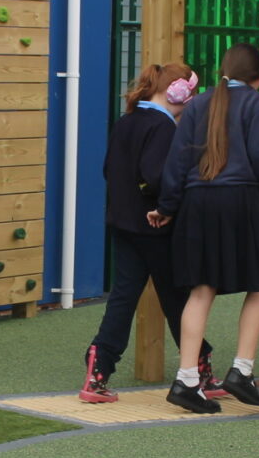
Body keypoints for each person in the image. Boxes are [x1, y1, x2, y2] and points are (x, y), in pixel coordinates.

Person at [153, 42, 259, 414]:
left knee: (201, 289)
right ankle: (242, 371)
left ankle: (187, 379)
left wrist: (165, 207)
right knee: (258, 285)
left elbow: (177, 164)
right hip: (242, 203)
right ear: (258, 77)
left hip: (197, 204)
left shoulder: (197, 105)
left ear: (223, 71)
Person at [81, 62, 211, 402]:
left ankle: (99, 367)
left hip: (123, 224)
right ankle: (200, 367)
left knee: (123, 298)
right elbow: (155, 175)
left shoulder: (127, 121)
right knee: (177, 298)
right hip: (154, 226)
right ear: (178, 93)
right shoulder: (163, 128)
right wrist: (167, 203)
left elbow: (110, 168)